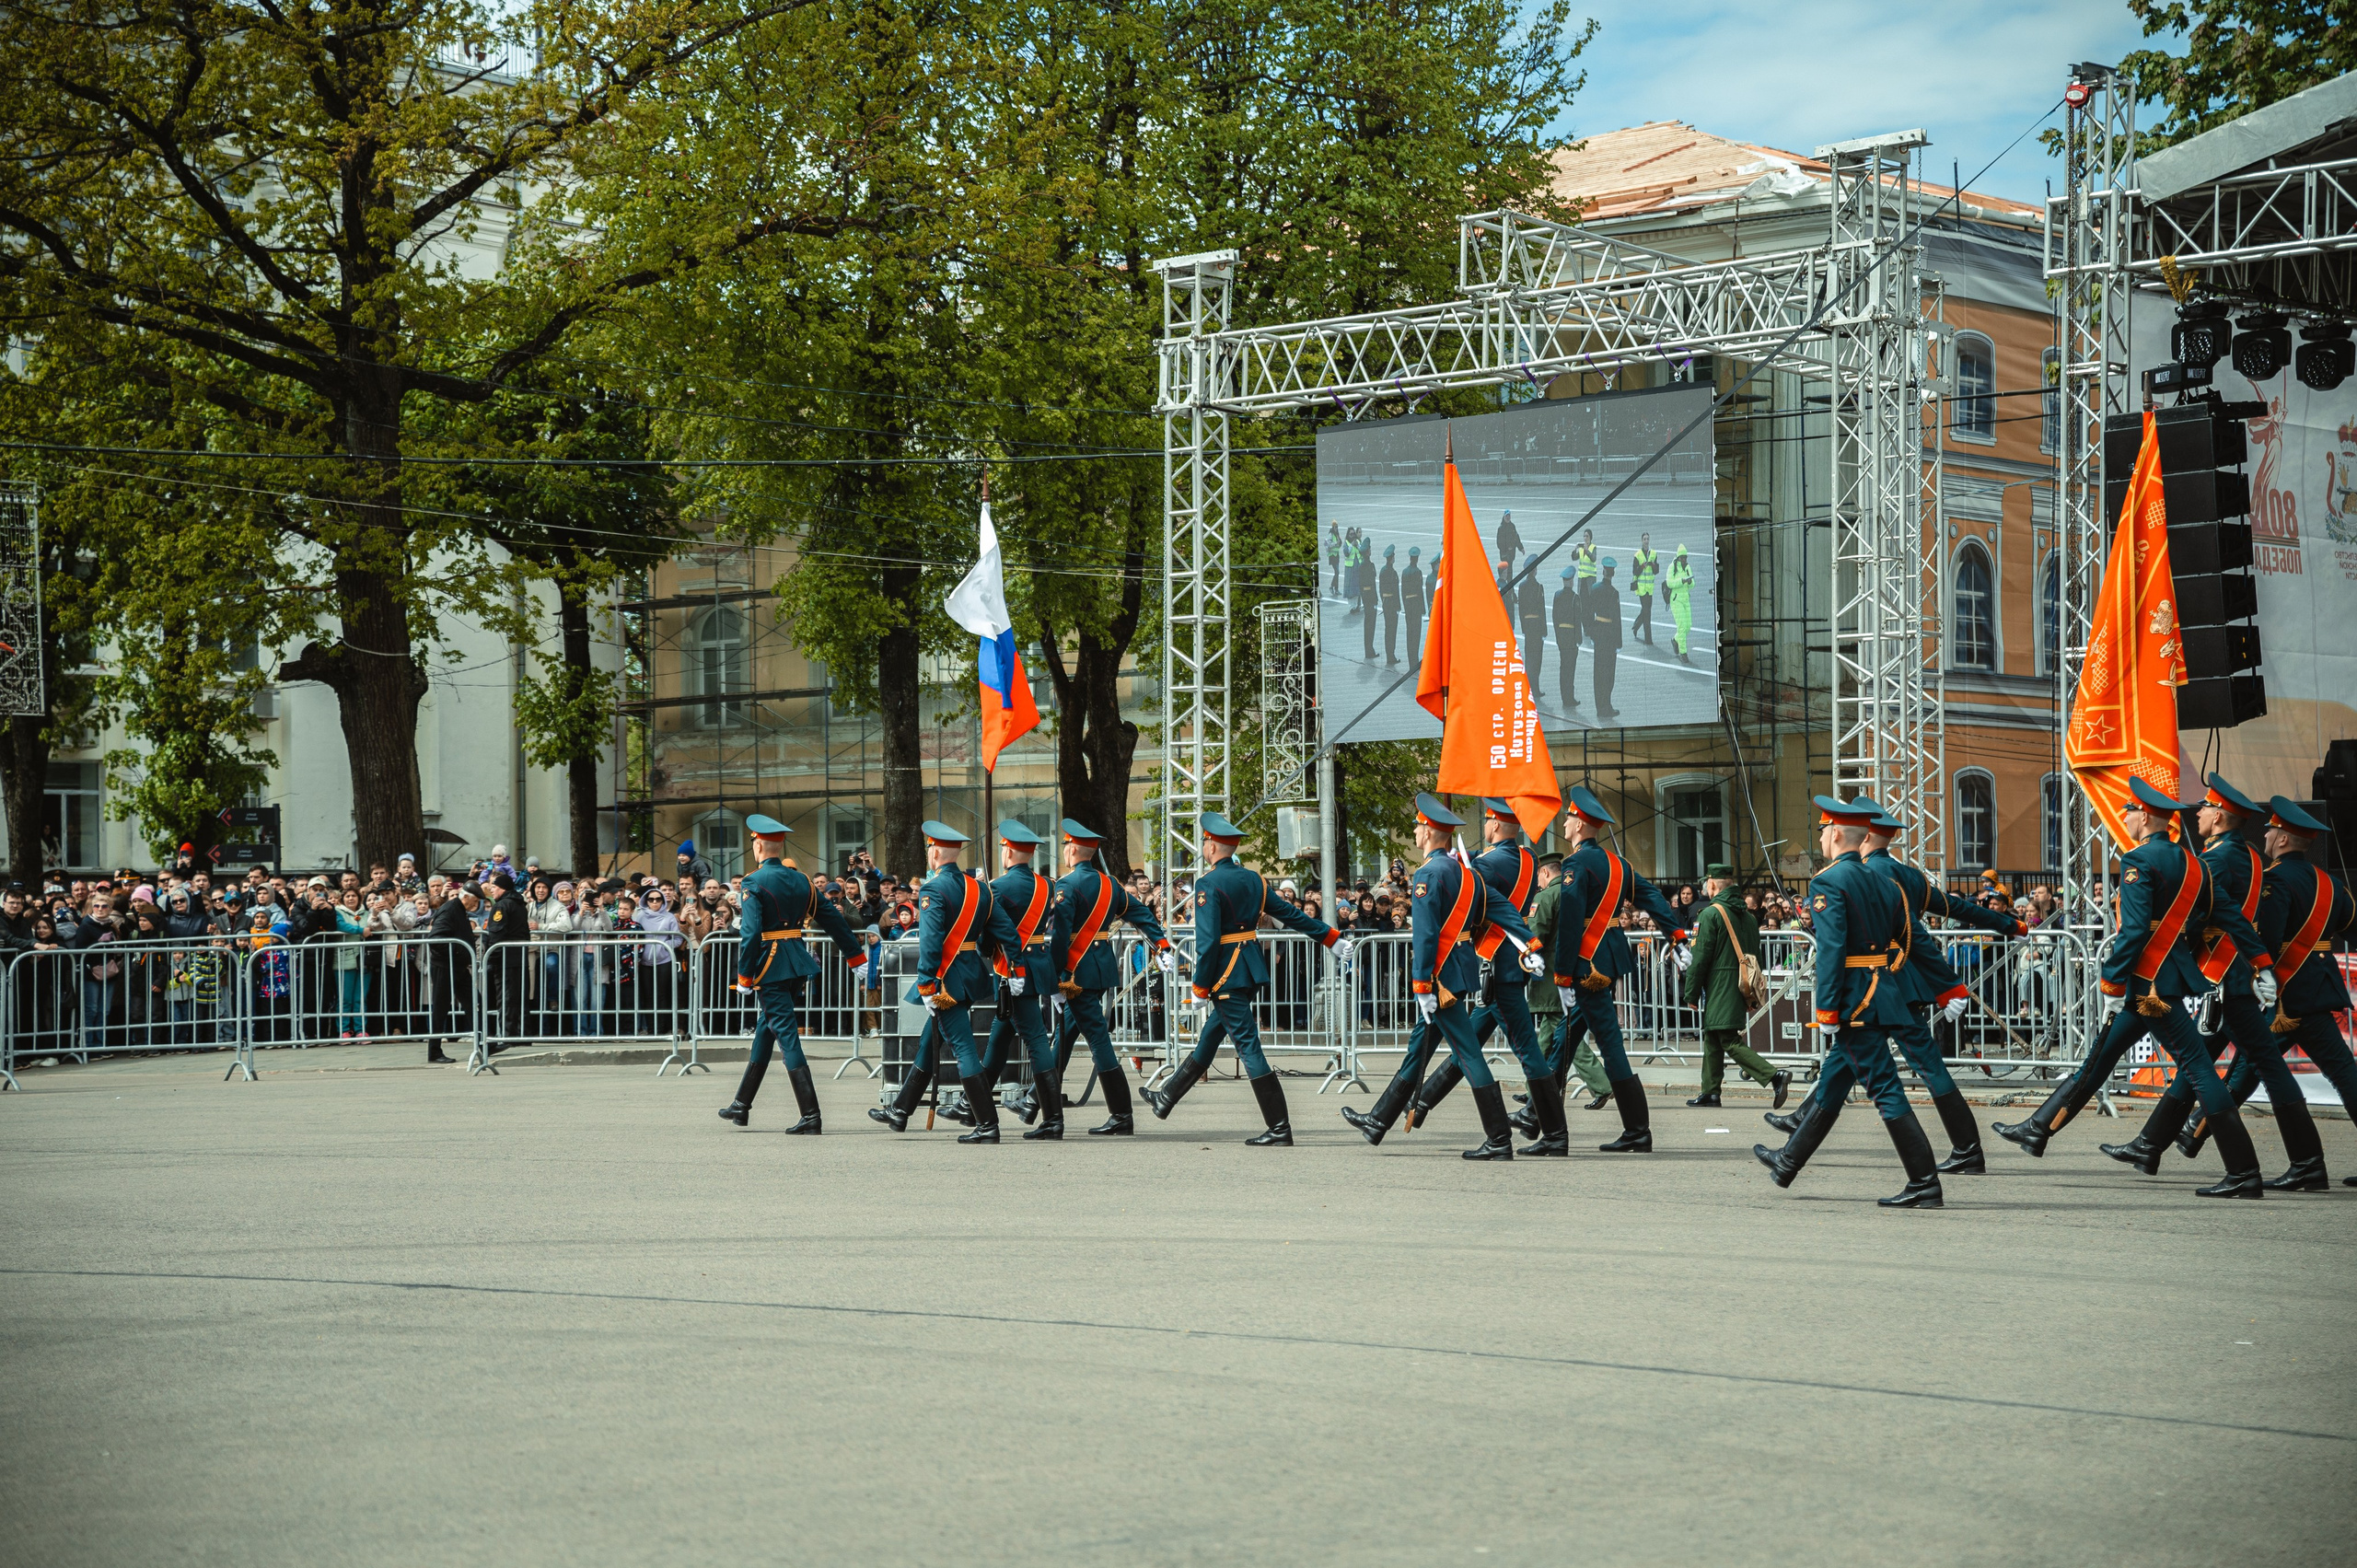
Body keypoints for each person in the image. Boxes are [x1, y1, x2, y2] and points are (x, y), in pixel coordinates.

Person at [1989, 778, 2271, 1198]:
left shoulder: (2139, 859)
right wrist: (2262, 964)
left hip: (2147, 981)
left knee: (2196, 1067)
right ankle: (2038, 1129)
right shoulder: (2195, 864)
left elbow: (2135, 930)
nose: (2125, 817)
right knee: (2101, 1057)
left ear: (2144, 815)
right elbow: (2231, 914)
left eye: (2129, 810)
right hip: (2163, 978)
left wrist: (2112, 982)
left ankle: (2244, 1171)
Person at [2096, 777, 2328, 1186]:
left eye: (2203, 808)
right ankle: (2154, 1143)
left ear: (2218, 815)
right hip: (2238, 972)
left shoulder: (2215, 860)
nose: (2198, 814)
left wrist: (2123, 980)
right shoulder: (2250, 856)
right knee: (2237, 1064)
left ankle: (2245, 1168)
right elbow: (2239, 917)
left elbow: (2205, 916)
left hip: (2221, 974)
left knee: (2206, 1066)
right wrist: (2262, 964)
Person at [1766, 804, 2019, 1170]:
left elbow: (1849, 944)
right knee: (1853, 1063)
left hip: (1875, 989)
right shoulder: (1907, 876)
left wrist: (1828, 1006)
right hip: (1902, 987)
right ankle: (1799, 1134)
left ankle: (1934, 1168)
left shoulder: (1858, 874)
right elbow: (1954, 912)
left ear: (1861, 834)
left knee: (1877, 1071)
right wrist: (2011, 927)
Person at [1753, 797, 1951, 1207]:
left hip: (1854, 1002)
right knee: (1836, 1080)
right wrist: (1946, 985)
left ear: (1837, 834)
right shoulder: (1884, 881)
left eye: (1824, 830)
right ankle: (1788, 1161)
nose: (1822, 837)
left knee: (1886, 1089)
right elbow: (1911, 939)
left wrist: (1826, 1008)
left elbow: (1831, 949)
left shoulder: (1828, 882)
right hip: (1882, 993)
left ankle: (1924, 1182)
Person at [1347, 797, 1549, 1156]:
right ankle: (1379, 1120)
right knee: (1419, 1049)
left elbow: (1425, 935)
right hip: (1458, 970)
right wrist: (1529, 941)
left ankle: (1499, 1138)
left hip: (1439, 979)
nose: (1414, 831)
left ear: (1427, 832)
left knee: (1469, 1054)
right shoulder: (1465, 873)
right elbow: (1500, 906)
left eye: (1417, 826)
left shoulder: (1428, 874)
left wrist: (1422, 984)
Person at [1144, 812, 1349, 1144]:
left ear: (1211, 846)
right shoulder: (1254, 880)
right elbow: (1292, 915)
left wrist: (1199, 986)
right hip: (1248, 969)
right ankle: (1166, 1097)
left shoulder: (1207, 884)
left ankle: (1279, 1127)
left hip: (1225, 975)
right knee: (1210, 1038)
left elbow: (1208, 943)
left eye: (1206, 843)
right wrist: (1330, 937)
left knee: (1249, 1047)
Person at [1551, 785, 1689, 1150]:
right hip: (1609, 957)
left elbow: (1569, 923)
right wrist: (1676, 934)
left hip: (1587, 962)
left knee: (1609, 1042)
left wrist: (1562, 974)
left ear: (1579, 824)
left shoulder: (1575, 865)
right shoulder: (1619, 864)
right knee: (1566, 1036)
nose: (1564, 823)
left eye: (1568, 817)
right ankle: (1540, 1114)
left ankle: (1637, 1130)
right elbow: (1654, 898)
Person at [870, 822, 1023, 1143]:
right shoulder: (980, 889)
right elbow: (1006, 932)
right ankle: (900, 1111)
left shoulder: (933, 889)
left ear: (935, 852)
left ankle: (987, 1124)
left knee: (963, 1047)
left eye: (928, 849)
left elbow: (931, 942)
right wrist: (1017, 968)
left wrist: (927, 984)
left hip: (944, 983)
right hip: (969, 975)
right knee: (931, 1042)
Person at [716, 814, 865, 1132]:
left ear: (757, 845)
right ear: (779, 844)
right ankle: (741, 1105)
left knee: (786, 1036)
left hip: (771, 967)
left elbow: (751, 933)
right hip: (796, 962)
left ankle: (811, 1115)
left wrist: (744, 976)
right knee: (766, 1029)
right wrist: (855, 956)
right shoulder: (802, 880)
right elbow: (832, 919)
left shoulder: (754, 882)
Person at [1032, 816, 1177, 1132]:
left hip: (1075, 972)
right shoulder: (1110, 885)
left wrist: (1055, 978)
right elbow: (1141, 915)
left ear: (1072, 850)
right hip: (1100, 967)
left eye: (1067, 845)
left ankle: (1121, 1115)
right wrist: (1161, 945)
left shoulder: (1067, 885)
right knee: (1070, 1033)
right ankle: (1035, 1101)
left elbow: (1060, 937)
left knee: (1098, 1040)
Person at [972, 822, 1062, 1137]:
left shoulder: (997, 887)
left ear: (1008, 851)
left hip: (1013, 968)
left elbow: (991, 929)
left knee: (1035, 1039)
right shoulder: (1046, 886)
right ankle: (973, 1106)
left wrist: (985, 950)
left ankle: (1053, 1120)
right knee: (1000, 1033)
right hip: (1038, 964)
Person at [1680, 865, 1791, 1109]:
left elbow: (1699, 959)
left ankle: (1773, 1076)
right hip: (1741, 984)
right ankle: (1710, 1092)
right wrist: (1751, 993)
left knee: (1728, 1039)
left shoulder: (1710, 915)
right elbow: (1756, 958)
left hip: (1720, 984)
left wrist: (1691, 992)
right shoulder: (1749, 918)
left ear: (1712, 884)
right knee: (1713, 1034)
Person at [1586, 560, 1623, 719]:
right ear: (1612, 573)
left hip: (1598, 633)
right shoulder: (1614, 593)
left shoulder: (1594, 589)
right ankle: (1606, 706)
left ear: (1603, 572)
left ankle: (1599, 707)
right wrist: (1619, 642)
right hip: (1609, 634)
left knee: (1598, 672)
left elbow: (1587, 613)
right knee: (1609, 673)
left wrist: (1591, 633)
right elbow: (1617, 619)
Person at [1550, 565, 1584, 711]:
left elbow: (1554, 617)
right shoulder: (1575, 597)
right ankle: (1569, 698)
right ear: (1571, 581)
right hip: (1571, 637)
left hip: (1561, 637)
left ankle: (1565, 697)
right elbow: (1578, 619)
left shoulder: (1557, 595)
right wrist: (1579, 639)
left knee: (1563, 668)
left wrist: (1557, 636)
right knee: (1570, 669)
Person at [1515, 564, 1547, 689]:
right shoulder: (1539, 587)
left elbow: (1521, 609)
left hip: (1527, 625)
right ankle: (1535, 687)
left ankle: (1528, 685)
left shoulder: (1522, 587)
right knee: (1537, 656)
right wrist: (1544, 630)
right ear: (1534, 571)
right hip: (1537, 625)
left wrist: (1523, 627)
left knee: (1529, 656)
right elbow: (1542, 610)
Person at [1666, 542, 1695, 662]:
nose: (1683, 559)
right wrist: (1681, 581)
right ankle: (1683, 653)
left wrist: (1689, 582)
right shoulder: (1672, 567)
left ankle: (1675, 640)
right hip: (1676, 600)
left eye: (1685, 557)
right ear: (1678, 557)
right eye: (1682, 557)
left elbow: (1693, 585)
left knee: (1688, 627)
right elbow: (1669, 583)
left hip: (1685, 600)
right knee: (1682, 627)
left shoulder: (1687, 567)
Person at [1630, 532, 1659, 645]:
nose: (1646, 541)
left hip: (1650, 588)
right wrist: (1642, 566)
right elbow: (1634, 572)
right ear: (1642, 541)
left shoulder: (1654, 554)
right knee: (1647, 613)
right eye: (1644, 539)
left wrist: (1652, 565)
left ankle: (1636, 626)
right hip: (1641, 589)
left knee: (1646, 611)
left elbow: (1656, 571)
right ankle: (1648, 639)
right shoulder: (1637, 555)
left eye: (1647, 539)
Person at [1378, 544, 1401, 666]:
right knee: (1392, 631)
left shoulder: (1383, 571)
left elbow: (1381, 589)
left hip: (1386, 603)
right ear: (1391, 558)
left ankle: (1390, 655)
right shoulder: (1392, 572)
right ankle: (1390, 656)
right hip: (1391, 604)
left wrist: (1383, 601)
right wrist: (1398, 606)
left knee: (1389, 630)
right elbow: (1396, 591)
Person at [1400, 545, 1425, 658]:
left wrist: (1405, 606)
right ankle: (1414, 659)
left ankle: (1411, 658)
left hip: (1408, 605)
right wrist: (1423, 608)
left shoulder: (1404, 572)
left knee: (1409, 632)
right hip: (1416, 605)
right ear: (1417, 559)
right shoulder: (1418, 572)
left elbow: (1403, 591)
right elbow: (1420, 591)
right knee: (1416, 633)